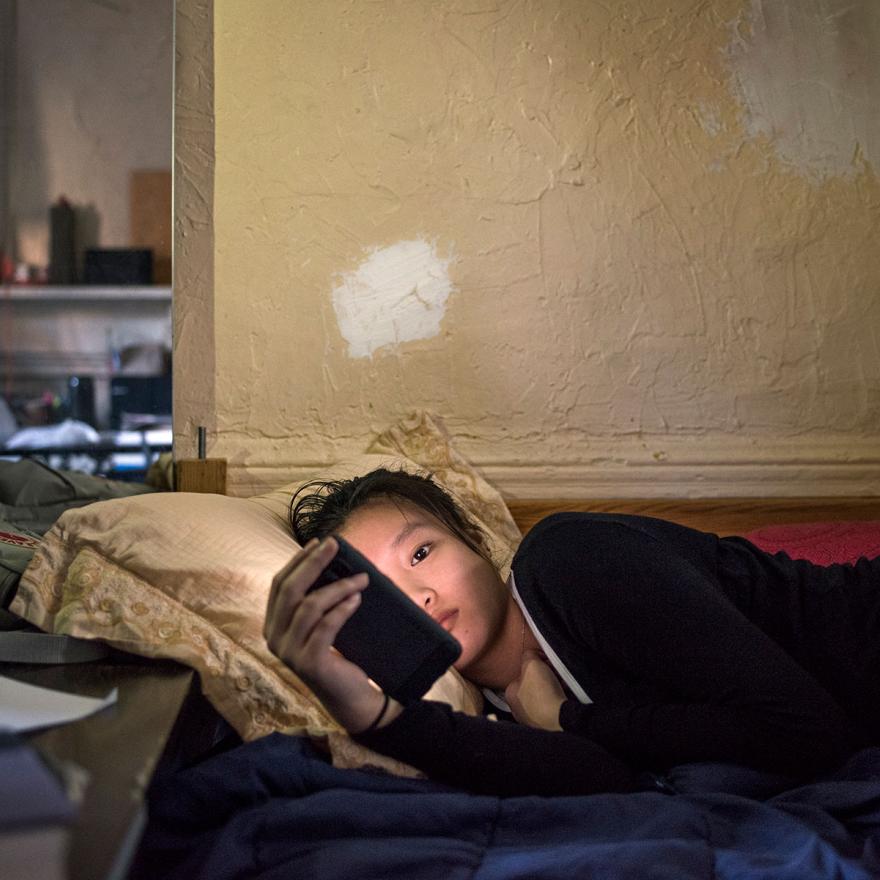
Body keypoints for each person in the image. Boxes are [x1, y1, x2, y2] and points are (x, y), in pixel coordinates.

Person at [264, 468, 880, 798]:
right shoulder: (504, 714)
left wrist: (569, 720)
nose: (418, 596)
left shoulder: (564, 560)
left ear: (476, 542)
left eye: (421, 554)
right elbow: (603, 778)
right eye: (383, 594)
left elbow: (805, 729)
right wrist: (367, 710)